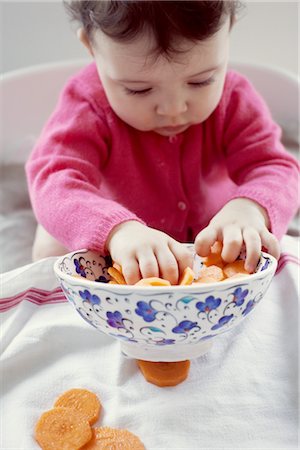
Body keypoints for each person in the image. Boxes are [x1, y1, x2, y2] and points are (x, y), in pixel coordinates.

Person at [26, 1, 299, 285]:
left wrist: (250, 209)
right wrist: (116, 231)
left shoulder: (236, 98)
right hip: (118, 247)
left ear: (228, 30)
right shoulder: (87, 105)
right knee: (51, 247)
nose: (173, 108)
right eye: (138, 89)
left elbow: (275, 166)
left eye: (201, 81)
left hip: (213, 240)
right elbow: (53, 177)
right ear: (91, 47)